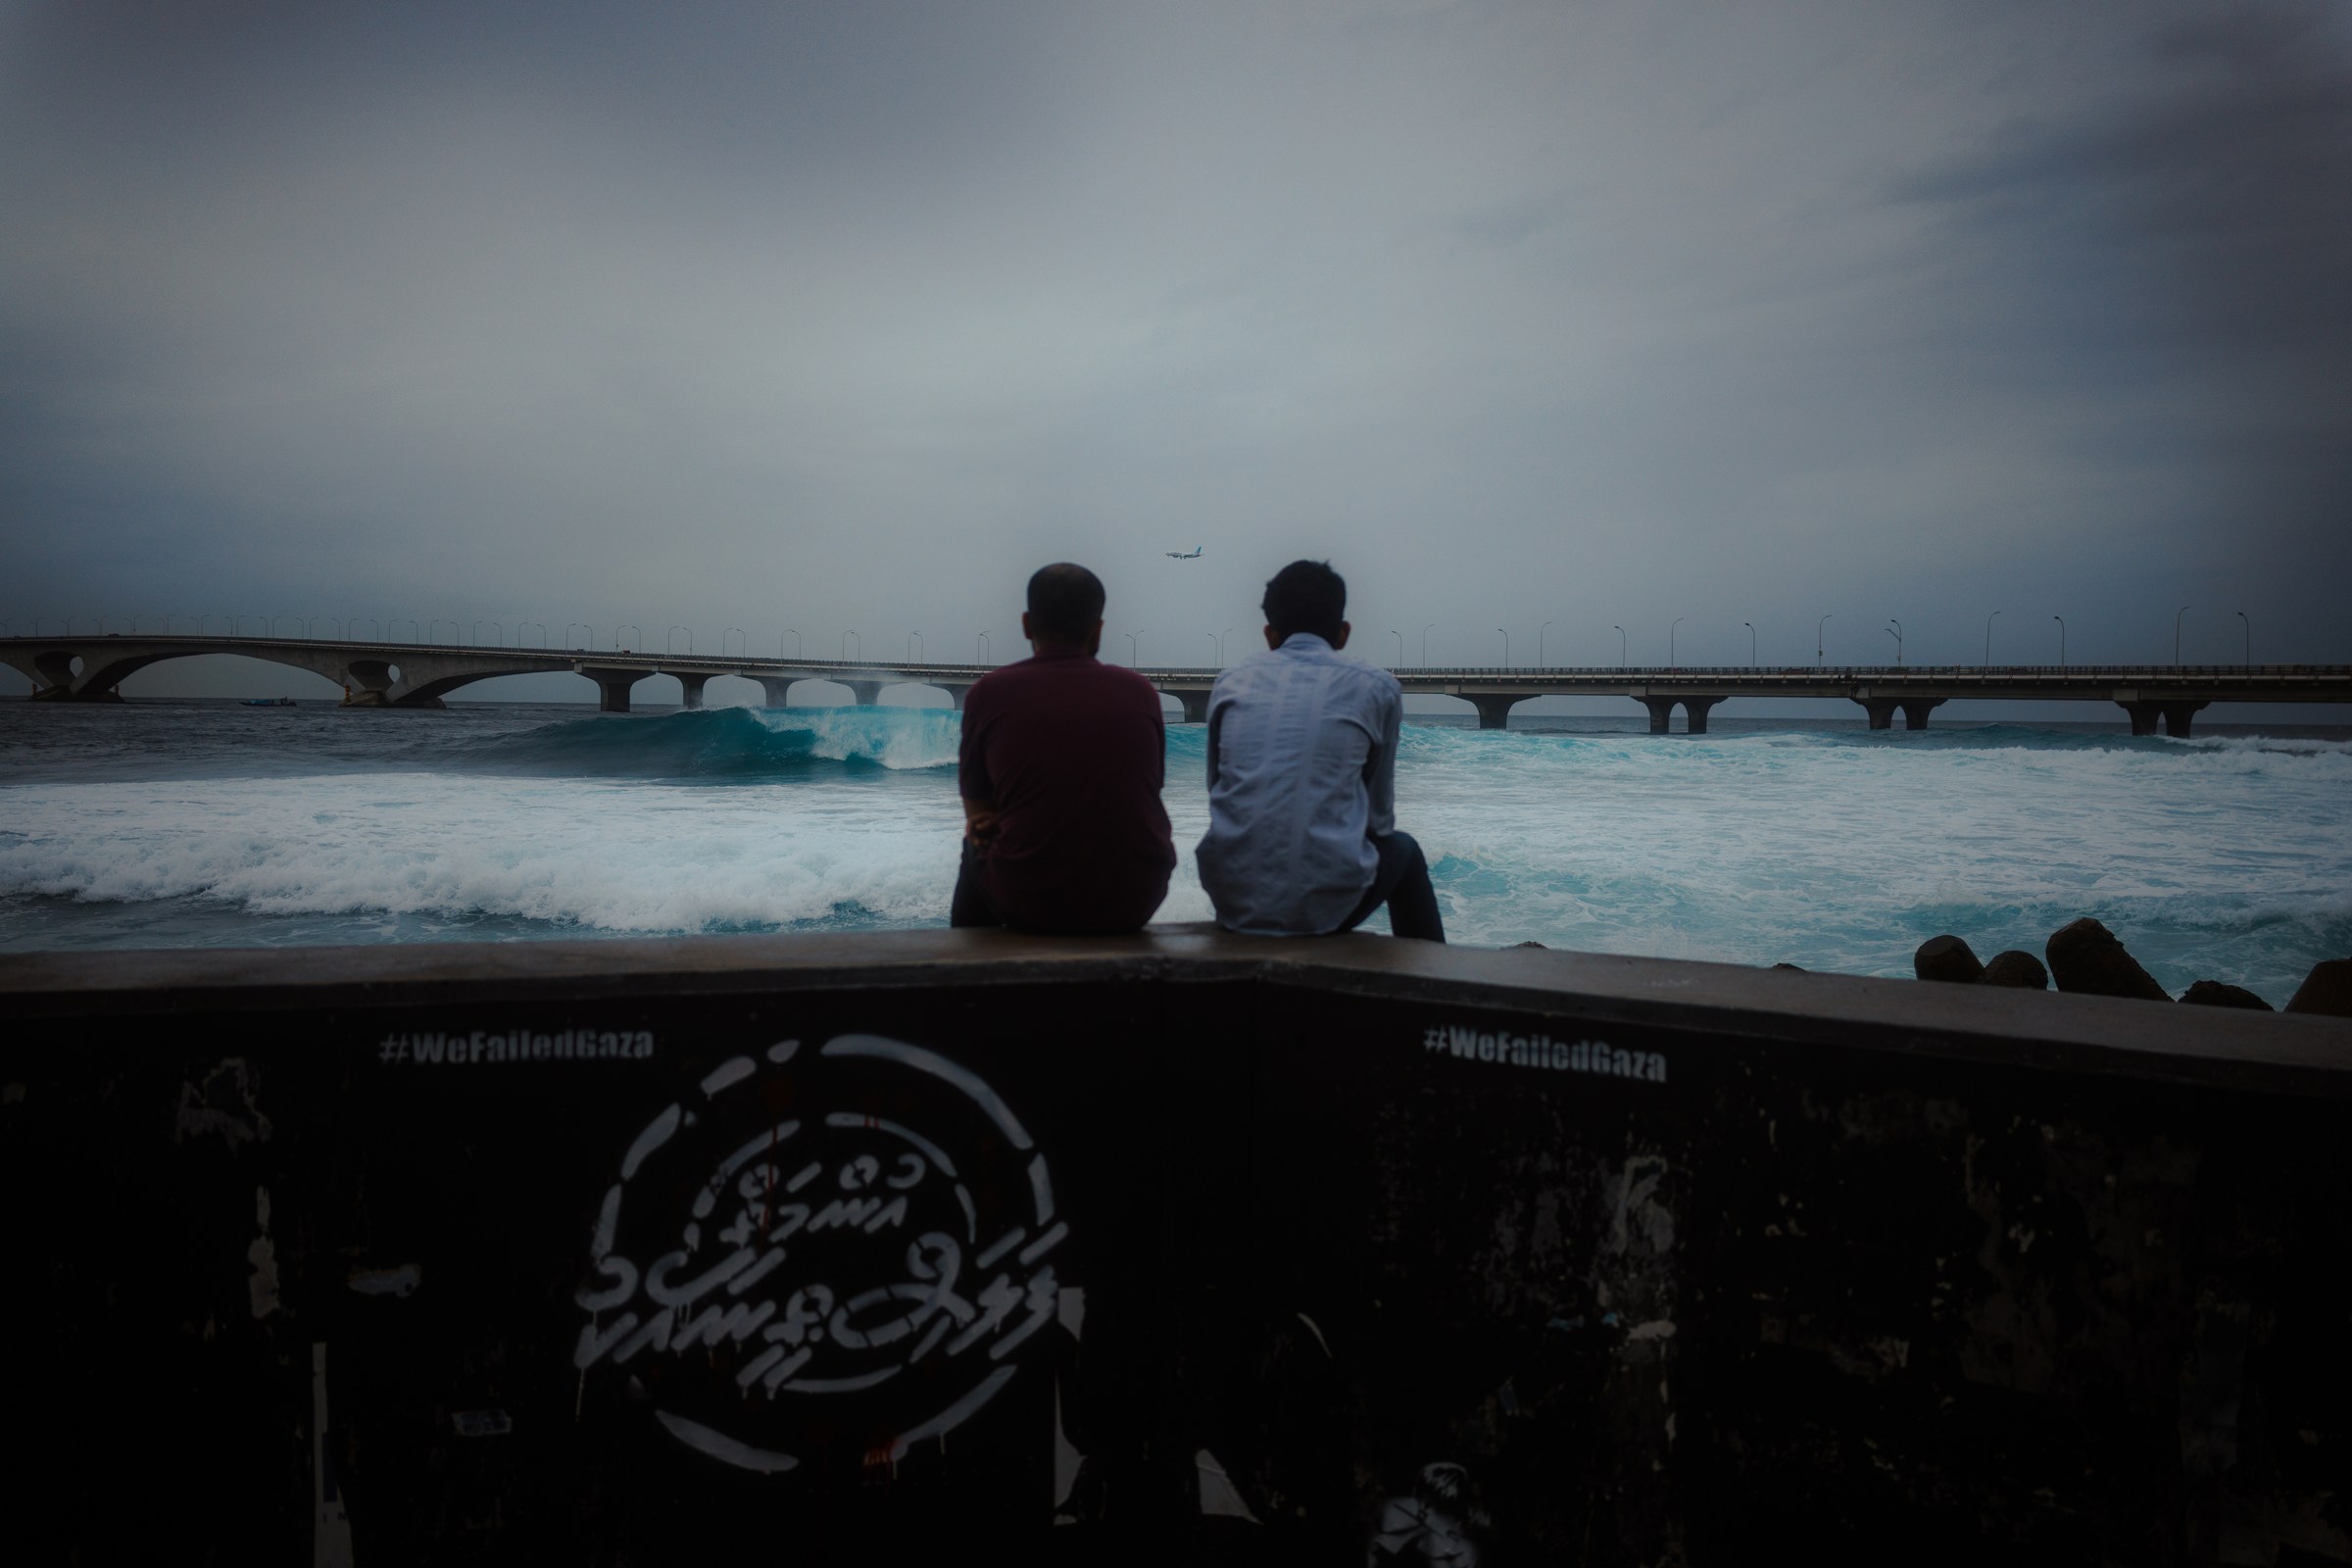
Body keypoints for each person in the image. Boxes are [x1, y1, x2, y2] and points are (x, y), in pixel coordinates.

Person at [1195, 560, 1445, 940]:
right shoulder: (1376, 687)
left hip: (1232, 900)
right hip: (1324, 912)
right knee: (1404, 850)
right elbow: (1379, 820)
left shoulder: (1231, 683)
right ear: (1343, 633)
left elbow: (1217, 790)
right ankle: (1430, 989)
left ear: (1269, 634)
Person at [952, 563, 1176, 934]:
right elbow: (1147, 790)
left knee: (975, 847)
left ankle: (966, 975)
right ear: (1099, 628)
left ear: (1026, 624)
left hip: (1027, 899)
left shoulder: (989, 693)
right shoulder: (1140, 692)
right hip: (1135, 898)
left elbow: (978, 815)